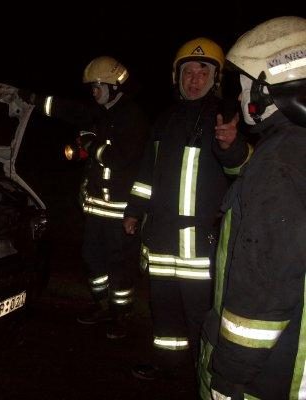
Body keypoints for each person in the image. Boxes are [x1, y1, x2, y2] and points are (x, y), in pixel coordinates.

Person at [122, 38, 252, 380]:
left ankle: (204, 372)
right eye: (188, 72)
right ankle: (169, 366)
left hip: (200, 245)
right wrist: (134, 210)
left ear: (216, 78)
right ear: (176, 77)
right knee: (163, 309)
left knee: (200, 313)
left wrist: (232, 145)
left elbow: (241, 166)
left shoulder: (225, 115)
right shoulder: (164, 120)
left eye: (203, 72)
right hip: (162, 239)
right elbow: (146, 174)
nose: (194, 79)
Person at [198, 16, 306, 400]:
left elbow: (265, 286)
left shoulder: (279, 162)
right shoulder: (292, 149)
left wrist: (230, 374)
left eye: (246, 87)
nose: (241, 98)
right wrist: (233, 153)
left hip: (268, 375)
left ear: (268, 89)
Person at [29, 56, 149, 336]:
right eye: (92, 87)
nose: (93, 92)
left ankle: (121, 315)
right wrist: (35, 101)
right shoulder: (103, 114)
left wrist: (91, 144)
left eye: (98, 86)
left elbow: (119, 159)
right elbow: (69, 111)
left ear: (114, 87)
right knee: (92, 258)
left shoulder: (132, 118)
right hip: (95, 209)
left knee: (120, 266)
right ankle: (102, 305)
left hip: (120, 212)